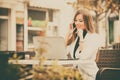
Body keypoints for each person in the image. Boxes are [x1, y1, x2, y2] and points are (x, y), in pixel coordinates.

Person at [65, 9, 103, 80]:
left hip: (90, 76)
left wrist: (81, 39)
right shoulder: (75, 38)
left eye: (80, 21)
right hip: (77, 76)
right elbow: (64, 53)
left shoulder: (94, 37)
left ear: (87, 22)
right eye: (75, 20)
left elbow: (83, 58)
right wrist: (68, 34)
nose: (77, 23)